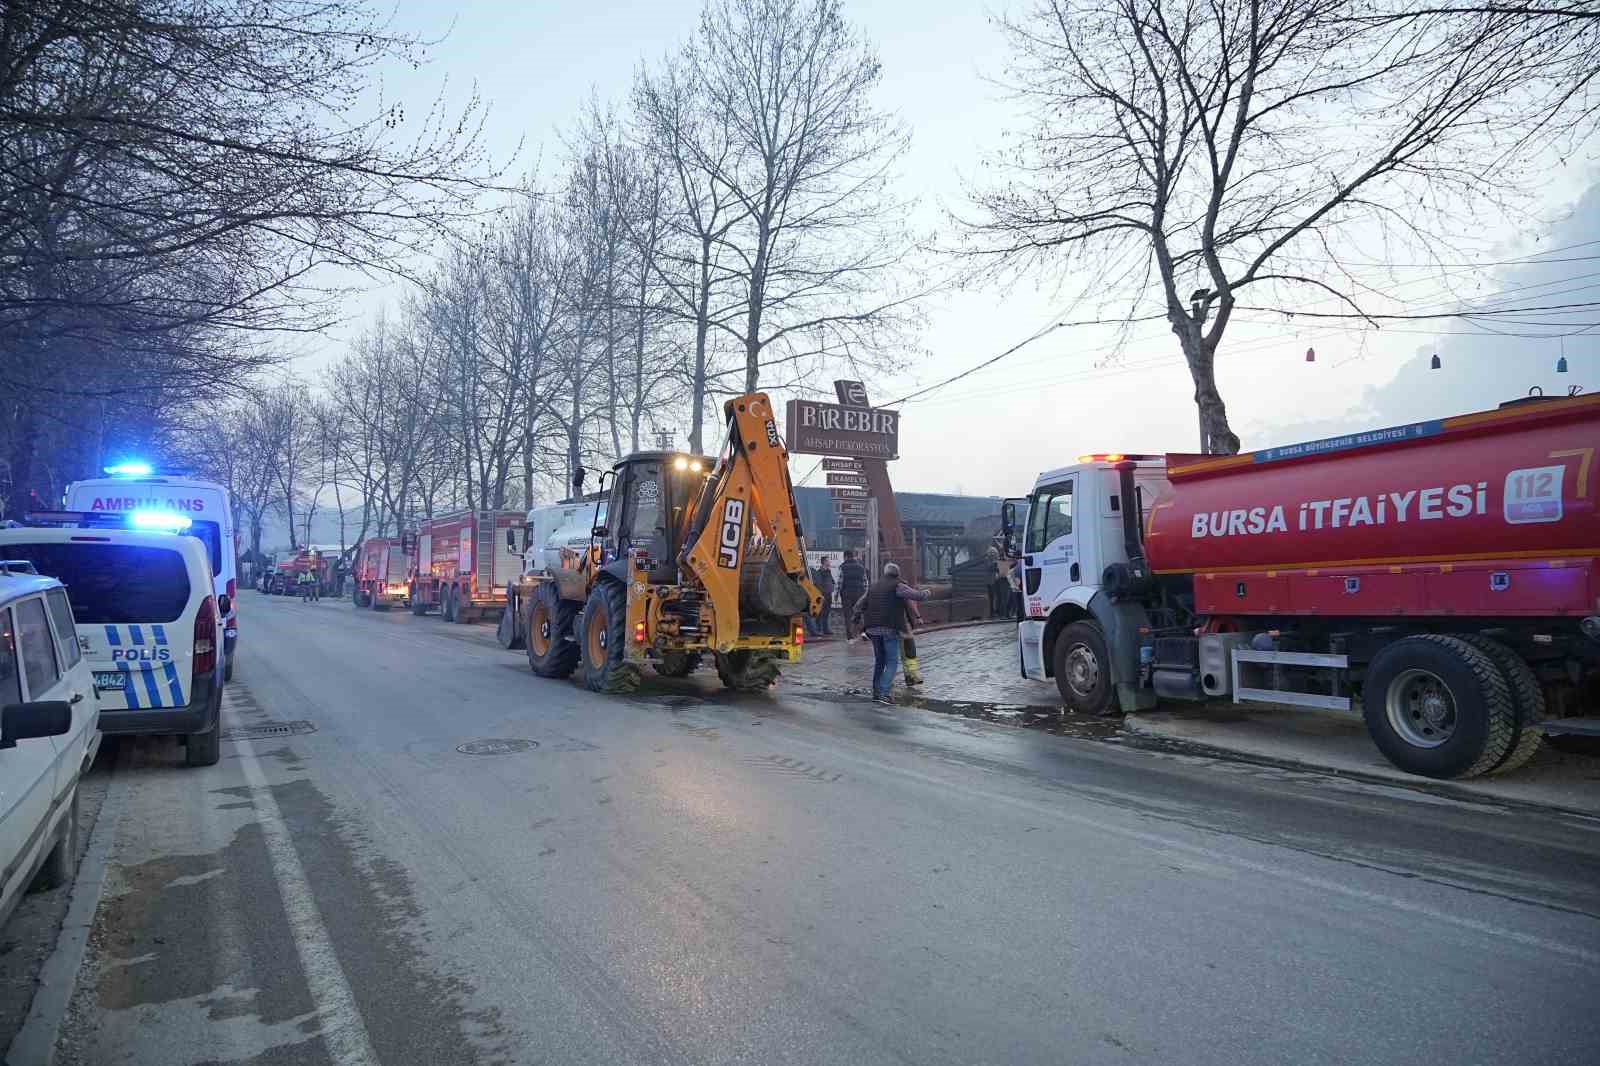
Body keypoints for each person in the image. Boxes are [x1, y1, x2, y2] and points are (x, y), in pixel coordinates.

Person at [852, 562, 930, 705]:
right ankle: (884, 693)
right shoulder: (898, 585)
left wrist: (856, 618)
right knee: (892, 662)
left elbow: (858, 605)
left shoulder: (873, 586)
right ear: (897, 573)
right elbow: (916, 596)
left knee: (879, 661)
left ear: (885, 573)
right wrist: (927, 592)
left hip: (872, 629)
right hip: (889, 628)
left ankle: (876, 693)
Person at [837, 549, 867, 640]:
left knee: (848, 615)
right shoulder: (861, 567)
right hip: (860, 593)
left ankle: (850, 636)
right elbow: (865, 582)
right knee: (860, 613)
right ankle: (863, 633)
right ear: (853, 556)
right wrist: (865, 594)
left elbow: (840, 582)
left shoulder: (842, 567)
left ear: (845, 557)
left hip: (847, 594)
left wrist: (836, 594)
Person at [812, 556, 836, 637]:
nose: (830, 562)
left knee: (826, 613)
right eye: (828, 561)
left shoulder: (828, 571)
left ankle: (826, 629)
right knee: (820, 613)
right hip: (822, 595)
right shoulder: (819, 572)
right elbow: (818, 584)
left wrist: (832, 586)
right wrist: (821, 594)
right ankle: (819, 629)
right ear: (824, 562)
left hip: (828, 594)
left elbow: (831, 581)